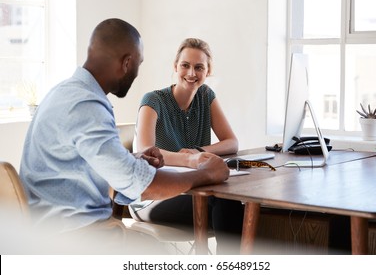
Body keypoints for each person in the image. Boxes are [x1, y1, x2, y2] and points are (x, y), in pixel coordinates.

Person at [18, 19, 229, 254]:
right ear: (127, 63)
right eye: (138, 64)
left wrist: (133, 159)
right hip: (75, 235)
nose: (137, 73)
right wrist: (205, 173)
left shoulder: (66, 92)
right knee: (157, 253)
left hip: (53, 227)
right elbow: (142, 185)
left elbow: (90, 165)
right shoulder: (88, 105)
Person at [130, 38, 244, 254]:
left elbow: (232, 142)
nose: (191, 73)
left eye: (199, 67)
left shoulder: (206, 96)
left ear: (208, 71)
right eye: (185, 65)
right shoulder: (153, 101)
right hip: (151, 198)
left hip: (192, 190)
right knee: (224, 205)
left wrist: (199, 152)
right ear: (175, 67)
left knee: (231, 202)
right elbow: (145, 151)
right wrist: (189, 160)